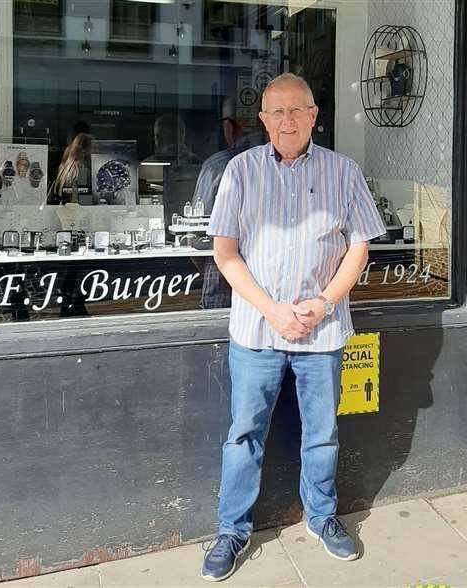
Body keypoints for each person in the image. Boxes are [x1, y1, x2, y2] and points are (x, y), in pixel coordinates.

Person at [201, 73, 386, 582]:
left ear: (313, 115)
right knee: (243, 436)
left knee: (322, 434)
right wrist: (273, 310)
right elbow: (225, 253)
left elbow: (359, 247)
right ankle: (232, 530)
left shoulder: (344, 172)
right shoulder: (239, 172)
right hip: (257, 333)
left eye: (296, 110)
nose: (286, 121)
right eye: (275, 112)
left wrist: (324, 303)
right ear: (261, 120)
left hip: (322, 332)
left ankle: (323, 517)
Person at [191, 97, 263, 309]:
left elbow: (198, 230)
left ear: (229, 127)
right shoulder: (289, 165)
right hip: (272, 288)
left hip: (222, 280)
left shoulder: (217, 166)